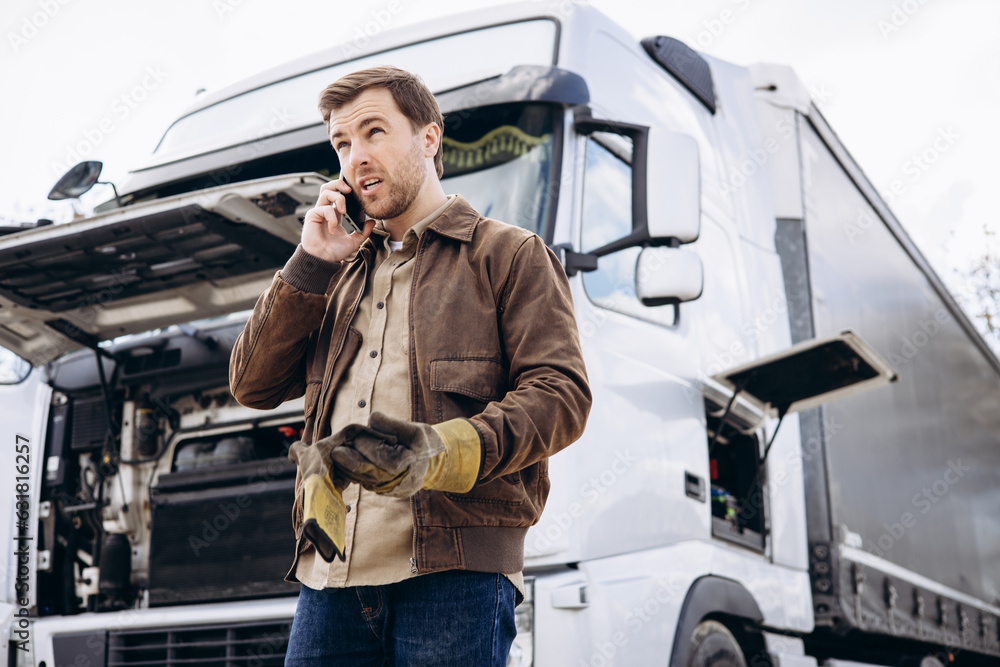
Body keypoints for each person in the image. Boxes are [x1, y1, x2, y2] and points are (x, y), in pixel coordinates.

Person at [229, 66, 591, 666]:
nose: (356, 158)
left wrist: (439, 451)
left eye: (374, 132)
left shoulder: (511, 255)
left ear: (430, 137)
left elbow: (561, 395)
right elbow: (252, 385)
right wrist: (309, 262)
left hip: (456, 575)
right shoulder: (334, 272)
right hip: (329, 579)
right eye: (342, 144)